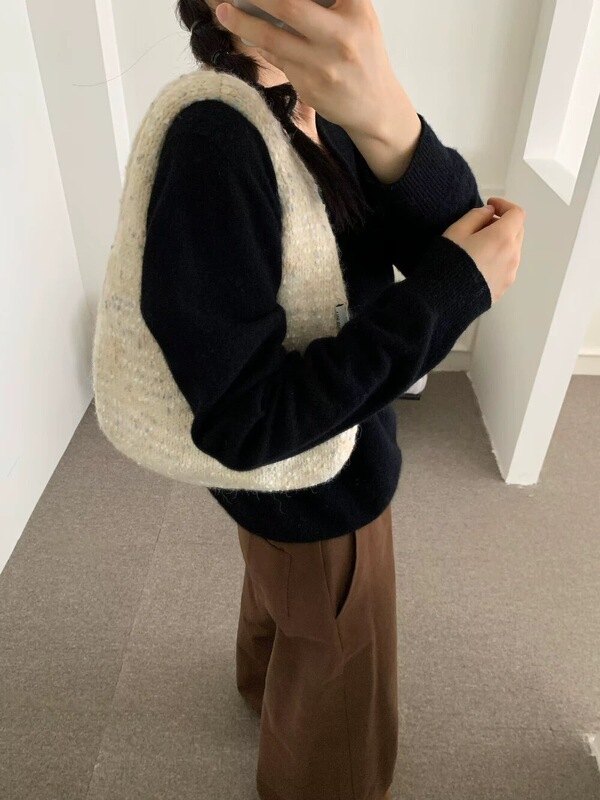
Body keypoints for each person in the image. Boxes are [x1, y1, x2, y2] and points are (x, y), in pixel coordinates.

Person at [140, 2, 526, 798]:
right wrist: (447, 294)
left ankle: (264, 685)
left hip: (309, 462)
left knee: (288, 595)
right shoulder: (218, 145)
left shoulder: (318, 109)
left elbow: (448, 230)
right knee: (340, 664)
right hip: (320, 479)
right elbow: (244, 422)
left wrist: (389, 117)